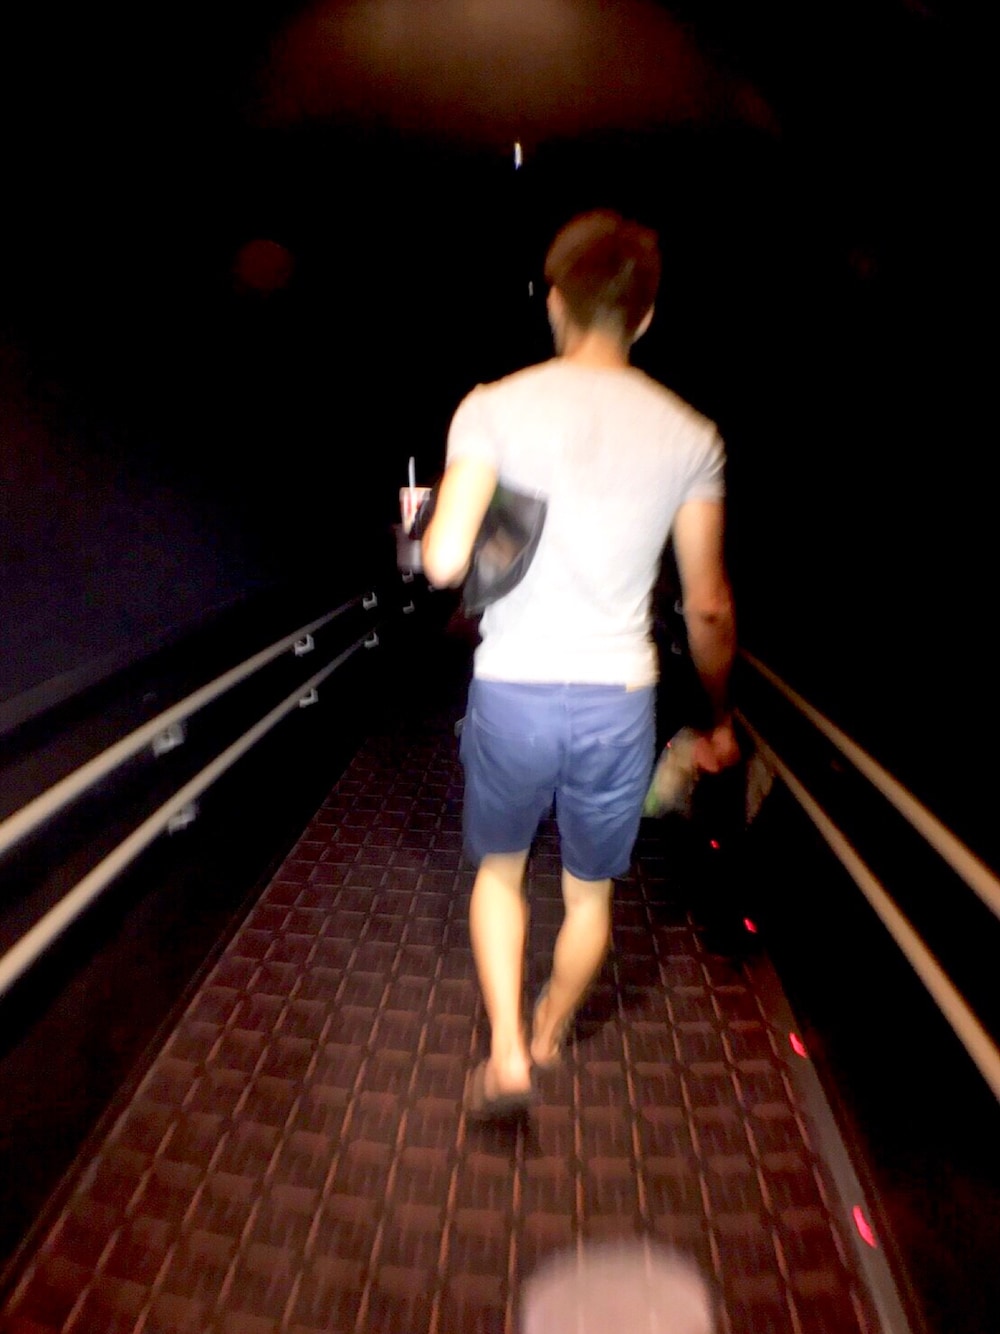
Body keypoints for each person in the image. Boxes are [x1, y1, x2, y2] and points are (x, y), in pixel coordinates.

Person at [422, 210, 738, 1117]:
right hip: (618, 700)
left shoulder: (491, 406)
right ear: (646, 316)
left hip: (514, 690)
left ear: (555, 300)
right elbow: (708, 608)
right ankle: (552, 1029)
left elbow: (443, 562)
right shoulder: (693, 435)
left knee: (500, 872)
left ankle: (507, 1054)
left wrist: (488, 518)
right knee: (589, 894)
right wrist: (719, 715)